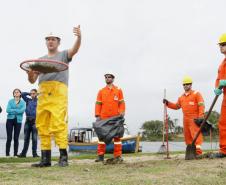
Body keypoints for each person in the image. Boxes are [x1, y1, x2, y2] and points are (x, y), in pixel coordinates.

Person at [26, 26, 81, 167]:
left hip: (58, 93)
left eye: (53, 39)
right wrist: (30, 73)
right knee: (42, 125)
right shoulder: (40, 60)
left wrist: (79, 37)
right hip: (43, 93)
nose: (50, 41)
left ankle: (63, 158)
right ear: (46, 42)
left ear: (58, 42)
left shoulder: (63, 55)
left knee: (58, 124)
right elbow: (32, 80)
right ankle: (45, 159)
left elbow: (74, 50)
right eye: (48, 39)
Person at [163, 76, 205, 155]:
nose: (186, 85)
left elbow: (201, 105)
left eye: (187, 84)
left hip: (195, 119)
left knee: (196, 135)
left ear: (191, 85)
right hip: (185, 119)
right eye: (184, 84)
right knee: (187, 137)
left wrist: (201, 116)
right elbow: (176, 106)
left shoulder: (196, 94)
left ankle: (198, 153)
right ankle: (190, 153)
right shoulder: (181, 97)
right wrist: (167, 103)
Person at [95, 73, 126, 162]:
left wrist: (122, 112)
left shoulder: (118, 90)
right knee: (101, 137)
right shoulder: (101, 91)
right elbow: (98, 103)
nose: (107, 78)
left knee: (117, 137)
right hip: (103, 118)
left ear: (113, 78)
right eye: (106, 77)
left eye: (109, 77)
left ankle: (118, 155)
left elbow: (121, 102)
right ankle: (100, 156)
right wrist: (97, 114)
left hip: (116, 118)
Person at [212, 33, 226, 158]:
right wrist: (217, 88)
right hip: (225, 98)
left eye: (223, 45)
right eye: (220, 45)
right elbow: (219, 78)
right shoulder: (222, 64)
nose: (221, 47)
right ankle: (224, 150)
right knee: (223, 123)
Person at [18, 89, 39, 158]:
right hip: (27, 121)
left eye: (34, 93)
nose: (32, 94)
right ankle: (23, 154)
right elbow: (22, 94)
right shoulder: (28, 100)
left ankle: (34, 154)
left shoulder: (39, 101)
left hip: (35, 121)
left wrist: (38, 94)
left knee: (34, 139)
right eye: (31, 93)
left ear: (36, 94)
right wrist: (29, 93)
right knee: (26, 138)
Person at [6, 89, 26, 157]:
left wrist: (13, 110)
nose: (16, 93)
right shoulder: (10, 101)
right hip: (9, 120)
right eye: (15, 92)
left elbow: (22, 111)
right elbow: (7, 110)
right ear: (13, 94)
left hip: (18, 121)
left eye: (17, 92)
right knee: (9, 138)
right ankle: (7, 154)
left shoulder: (23, 102)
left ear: (20, 94)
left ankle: (15, 154)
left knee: (16, 138)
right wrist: (17, 110)